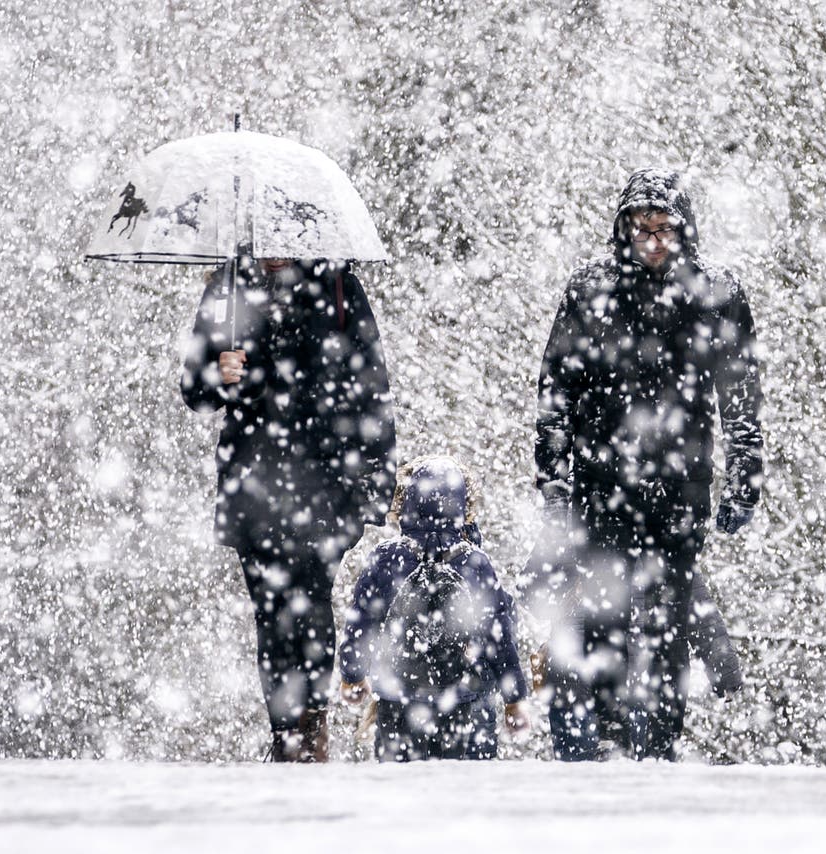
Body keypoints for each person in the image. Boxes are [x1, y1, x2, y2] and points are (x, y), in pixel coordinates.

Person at [532, 168, 763, 761]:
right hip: (601, 484)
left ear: (683, 231)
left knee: (666, 622)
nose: (653, 241)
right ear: (624, 229)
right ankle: (608, 737)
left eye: (664, 229)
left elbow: (741, 399)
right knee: (602, 618)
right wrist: (554, 482)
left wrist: (745, 477)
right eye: (643, 229)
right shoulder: (590, 293)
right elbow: (555, 395)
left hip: (679, 488)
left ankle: (658, 746)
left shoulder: (715, 296)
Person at [181, 255, 396, 762]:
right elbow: (196, 391)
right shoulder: (228, 289)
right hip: (254, 485)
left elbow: (373, 390)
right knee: (272, 616)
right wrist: (218, 372)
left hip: (324, 484)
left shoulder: (341, 288)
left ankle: (309, 728)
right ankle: (287, 735)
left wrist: (373, 487)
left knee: (312, 607)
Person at [338, 456, 530, 761]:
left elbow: (362, 621)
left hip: (396, 697)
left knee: (396, 791)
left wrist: (352, 673)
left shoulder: (386, 557)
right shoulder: (475, 561)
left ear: (406, 501)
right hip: (460, 698)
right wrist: (513, 698)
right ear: (464, 505)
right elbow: (500, 636)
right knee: (457, 791)